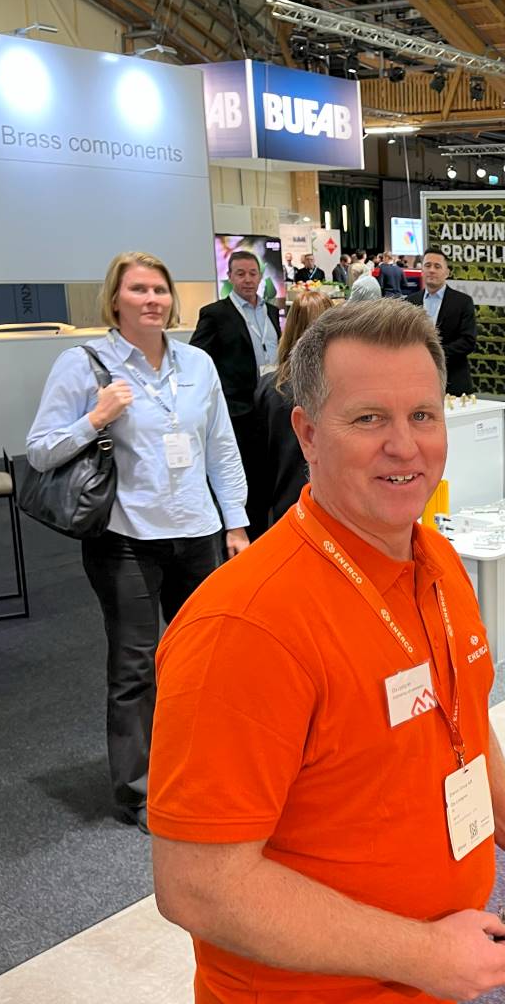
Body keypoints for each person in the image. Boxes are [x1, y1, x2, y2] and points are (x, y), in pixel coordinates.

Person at [148, 298, 505, 1004]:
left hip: (414, 1001)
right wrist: (422, 953)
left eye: (423, 415)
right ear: (308, 433)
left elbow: (459, 717)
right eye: (369, 418)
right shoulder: (245, 628)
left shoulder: (434, 560)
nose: (405, 447)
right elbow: (199, 887)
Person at [26, 252, 249, 835]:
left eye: (160, 289)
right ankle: (140, 792)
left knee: (206, 660)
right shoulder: (85, 364)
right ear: (115, 300)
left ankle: (203, 770)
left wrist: (236, 523)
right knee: (135, 667)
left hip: (197, 533)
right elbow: (40, 450)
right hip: (126, 537)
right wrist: (95, 418)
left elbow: (221, 448)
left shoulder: (197, 363)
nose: (152, 299)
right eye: (139, 290)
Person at [189, 251, 283, 537]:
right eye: (240, 274)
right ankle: (240, 540)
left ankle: (265, 539)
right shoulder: (216, 314)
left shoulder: (270, 312)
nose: (247, 279)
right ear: (229, 277)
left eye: (253, 273)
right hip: (238, 412)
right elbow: (197, 360)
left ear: (260, 276)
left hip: (269, 407)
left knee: (266, 481)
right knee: (243, 482)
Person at [250, 290, 335, 528]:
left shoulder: (270, 388)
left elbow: (258, 463)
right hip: (337, 511)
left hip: (285, 512)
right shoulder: (345, 387)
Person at [409, 246, 478, 395]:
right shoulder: (410, 302)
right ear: (422, 270)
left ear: (447, 272)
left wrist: (435, 354)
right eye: (427, 265)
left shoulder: (462, 302)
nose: (431, 270)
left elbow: (468, 341)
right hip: (417, 380)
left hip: (453, 379)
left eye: (437, 266)